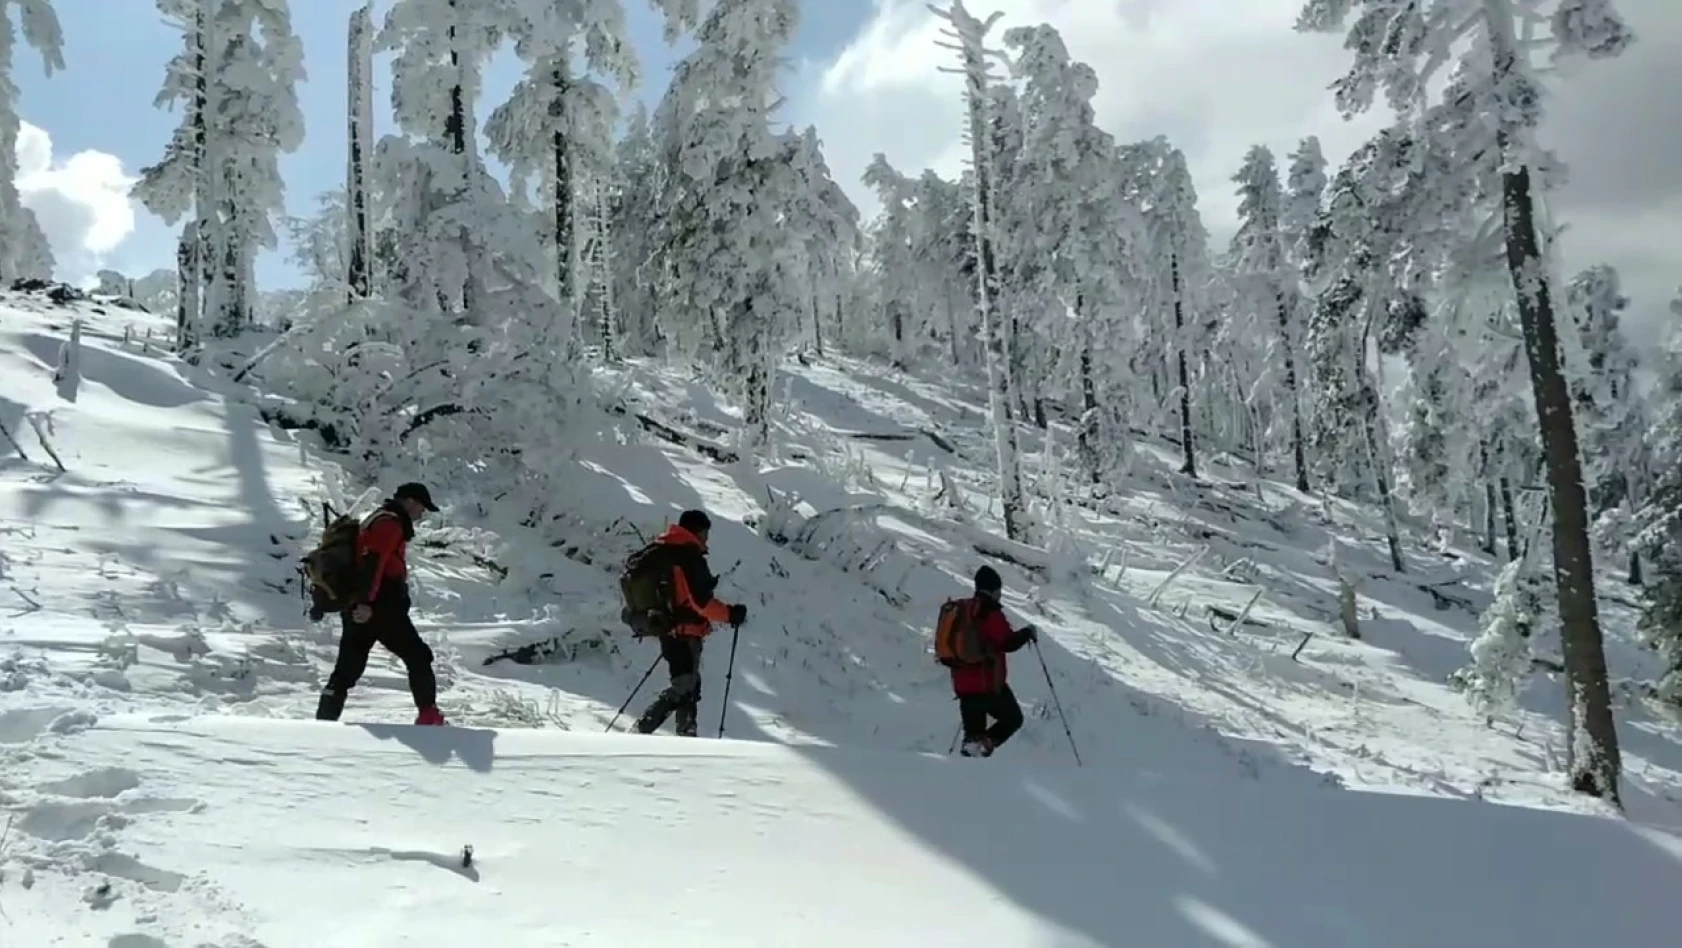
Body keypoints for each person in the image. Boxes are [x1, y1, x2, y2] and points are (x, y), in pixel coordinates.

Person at [314, 482, 447, 726]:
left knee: (347, 669)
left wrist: (359, 603)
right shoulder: (390, 524)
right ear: (409, 501)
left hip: (360, 604)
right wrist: (366, 603)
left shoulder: (375, 519)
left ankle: (323, 723)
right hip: (380, 605)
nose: (421, 514)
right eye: (421, 507)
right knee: (418, 656)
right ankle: (429, 717)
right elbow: (374, 562)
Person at [633, 509, 747, 737]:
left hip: (667, 627)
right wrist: (730, 614)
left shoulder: (664, 550)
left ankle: (687, 735)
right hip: (684, 632)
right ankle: (642, 730)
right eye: (705, 532)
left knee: (690, 685)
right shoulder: (688, 557)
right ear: (698, 531)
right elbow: (702, 603)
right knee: (684, 687)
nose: (707, 538)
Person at [951, 565, 1036, 758]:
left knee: (972, 740)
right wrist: (1027, 633)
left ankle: (972, 760)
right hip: (988, 685)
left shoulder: (962, 610)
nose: (1000, 595)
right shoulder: (989, 612)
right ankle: (985, 743)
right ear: (993, 589)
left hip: (964, 687)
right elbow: (1008, 642)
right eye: (999, 591)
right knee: (1013, 719)